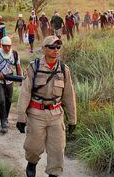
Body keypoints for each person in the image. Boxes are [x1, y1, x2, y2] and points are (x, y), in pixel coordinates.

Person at [16, 35, 77, 177]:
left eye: (58, 47)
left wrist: (73, 120)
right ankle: (31, 165)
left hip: (56, 115)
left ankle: (53, 173)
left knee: (57, 150)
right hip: (36, 114)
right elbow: (25, 93)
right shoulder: (34, 67)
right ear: (44, 49)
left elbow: (69, 95)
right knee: (33, 148)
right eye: (52, 47)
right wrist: (21, 117)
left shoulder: (63, 69)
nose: (56, 50)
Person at [0, 36, 22, 134]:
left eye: (9, 46)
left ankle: (5, 117)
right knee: (0, 100)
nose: (7, 48)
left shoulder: (14, 54)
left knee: (9, 100)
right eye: (5, 46)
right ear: (2, 45)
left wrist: (20, 78)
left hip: (9, 80)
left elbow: (18, 67)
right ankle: (3, 122)